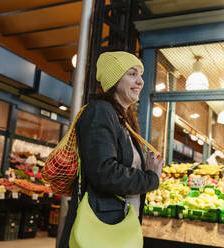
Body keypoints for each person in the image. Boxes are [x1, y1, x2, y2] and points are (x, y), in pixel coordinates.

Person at [59, 51, 164, 247]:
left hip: (117, 225)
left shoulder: (123, 119)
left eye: (140, 75)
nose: (140, 81)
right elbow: (104, 172)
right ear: (114, 79)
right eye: (132, 74)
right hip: (102, 226)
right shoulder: (100, 111)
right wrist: (151, 178)